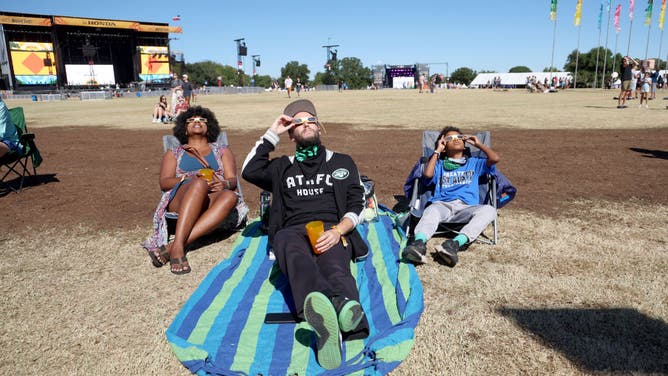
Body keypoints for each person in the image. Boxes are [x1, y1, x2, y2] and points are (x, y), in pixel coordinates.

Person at [241, 99, 369, 370]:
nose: (306, 123)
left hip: (330, 228)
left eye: (310, 119)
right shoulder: (281, 166)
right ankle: (339, 306)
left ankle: (332, 324)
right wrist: (272, 131)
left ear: (319, 127)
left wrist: (338, 231)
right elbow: (248, 171)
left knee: (335, 267)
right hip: (291, 230)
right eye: (298, 122)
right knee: (297, 260)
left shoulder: (342, 162)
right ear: (291, 133)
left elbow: (357, 204)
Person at [142, 106, 239, 275]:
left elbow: (232, 180)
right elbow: (164, 182)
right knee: (199, 184)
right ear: (184, 128)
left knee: (230, 196)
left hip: (211, 200)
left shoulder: (222, 150)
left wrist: (224, 184)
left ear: (209, 127)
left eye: (202, 120)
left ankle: (173, 246)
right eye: (191, 120)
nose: (197, 122)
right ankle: (179, 249)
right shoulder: (174, 153)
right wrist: (191, 179)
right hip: (181, 197)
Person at [402, 126, 500, 268]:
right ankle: (418, 244)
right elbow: (427, 175)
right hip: (443, 206)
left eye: (459, 137)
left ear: (464, 142)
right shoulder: (439, 164)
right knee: (432, 210)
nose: (455, 140)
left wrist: (478, 144)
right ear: (444, 145)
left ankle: (453, 244)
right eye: (449, 138)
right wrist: (437, 151)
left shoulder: (475, 163)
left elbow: (495, 158)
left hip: (466, 208)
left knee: (490, 210)